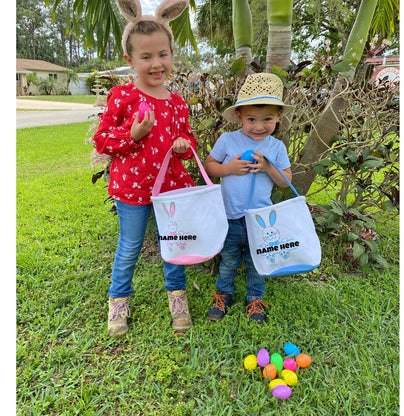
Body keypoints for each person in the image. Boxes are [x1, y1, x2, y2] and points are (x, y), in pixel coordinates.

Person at [93, 0, 195, 337]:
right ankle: (118, 301)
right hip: (132, 190)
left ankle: (177, 299)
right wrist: (132, 134)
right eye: (146, 57)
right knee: (130, 247)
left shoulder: (177, 101)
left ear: (171, 53)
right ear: (130, 60)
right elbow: (103, 140)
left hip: (171, 190)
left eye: (162, 55)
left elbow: (187, 143)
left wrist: (184, 146)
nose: (156, 64)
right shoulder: (123, 96)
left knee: (173, 244)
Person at [204, 73, 295, 324]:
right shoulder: (228, 140)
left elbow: (286, 180)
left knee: (257, 262)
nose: (258, 126)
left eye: (267, 119)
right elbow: (209, 166)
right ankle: (223, 295)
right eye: (251, 119)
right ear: (239, 117)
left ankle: (255, 299)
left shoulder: (276, 147)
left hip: (262, 221)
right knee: (229, 259)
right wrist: (228, 169)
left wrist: (268, 168)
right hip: (230, 217)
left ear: (278, 117)